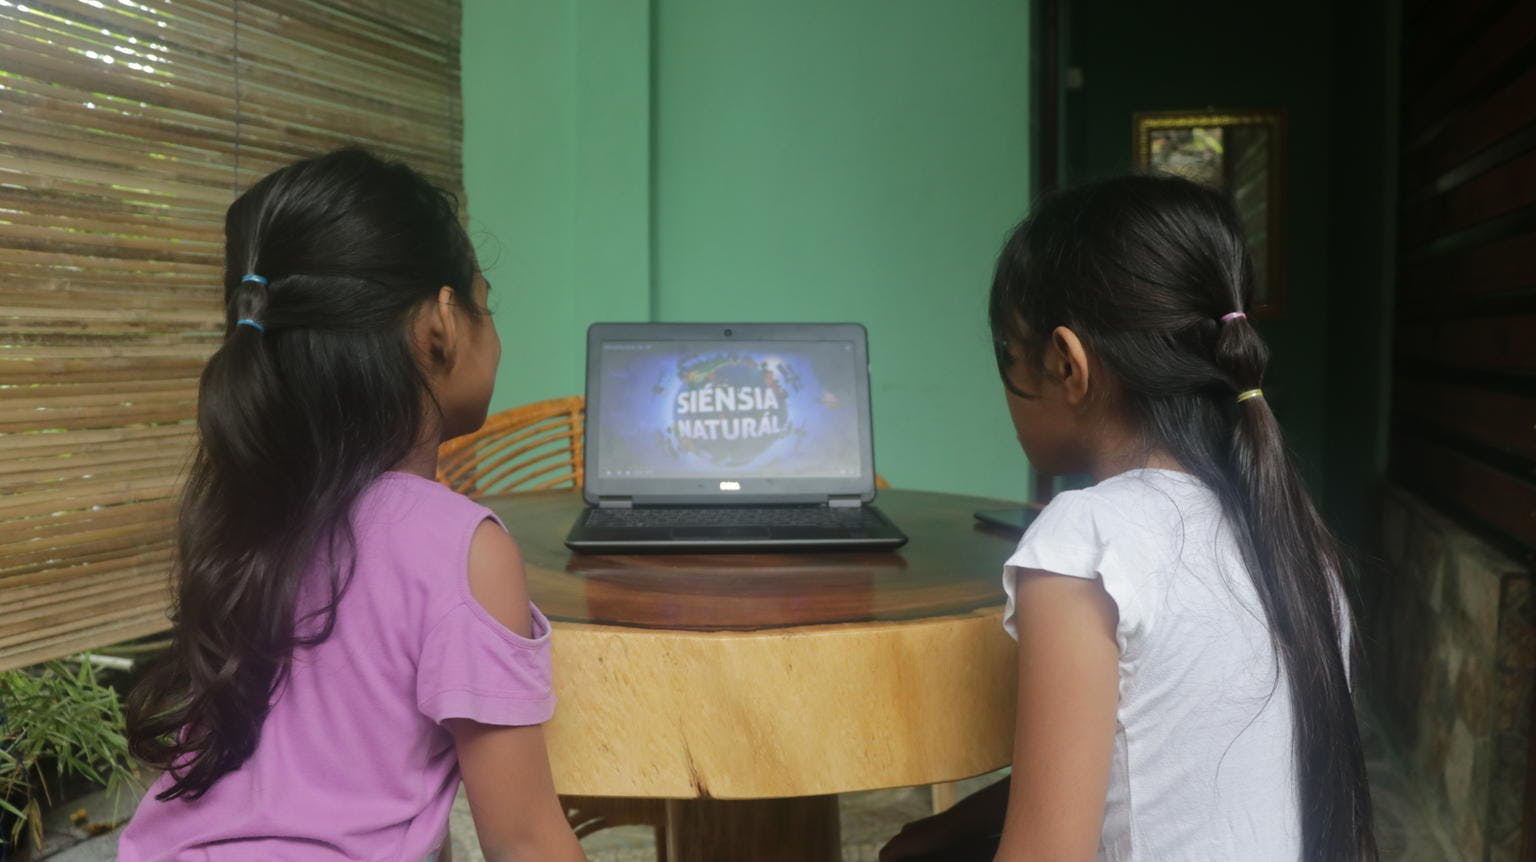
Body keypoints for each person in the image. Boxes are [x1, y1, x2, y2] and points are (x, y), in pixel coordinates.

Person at [882, 174, 1376, 861]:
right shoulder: (1294, 537)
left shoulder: (1086, 541)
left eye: (1007, 356)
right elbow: (1173, 756)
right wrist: (953, 828)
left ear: (1067, 364)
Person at [120, 149, 587, 862]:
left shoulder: (243, 506)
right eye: (485, 305)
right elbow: (525, 841)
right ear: (441, 322)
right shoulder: (464, 546)